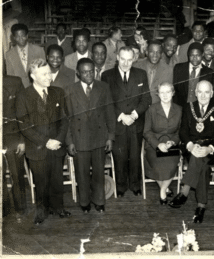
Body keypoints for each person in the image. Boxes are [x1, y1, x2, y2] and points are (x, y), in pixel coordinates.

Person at [16, 58, 70, 225]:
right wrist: (46, 141)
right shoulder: (23, 96)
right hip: (37, 148)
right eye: (44, 74)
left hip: (57, 147)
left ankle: (58, 208)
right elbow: (24, 126)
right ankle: (42, 212)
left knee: (57, 180)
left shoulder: (58, 92)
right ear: (33, 76)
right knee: (41, 182)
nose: (50, 76)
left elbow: (64, 119)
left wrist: (58, 140)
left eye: (49, 72)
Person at [169, 80, 214, 224]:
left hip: (211, 149)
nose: (203, 95)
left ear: (212, 93)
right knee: (201, 163)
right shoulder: (188, 108)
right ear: (195, 92)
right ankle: (201, 206)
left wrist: (208, 148)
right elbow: (183, 131)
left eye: (207, 92)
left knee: (202, 161)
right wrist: (190, 145)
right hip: (192, 148)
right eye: (200, 91)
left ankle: (184, 191)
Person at [65, 58, 116, 213]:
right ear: (78, 73)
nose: (89, 74)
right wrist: (69, 141)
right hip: (79, 139)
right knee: (82, 173)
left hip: (99, 137)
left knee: (99, 173)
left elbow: (110, 113)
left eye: (91, 71)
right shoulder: (69, 90)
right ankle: (85, 202)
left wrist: (110, 136)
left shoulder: (103, 87)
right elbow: (66, 119)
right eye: (84, 72)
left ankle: (99, 201)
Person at [101, 46, 151, 197]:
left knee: (135, 156)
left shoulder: (141, 74)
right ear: (117, 57)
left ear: (134, 59)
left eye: (129, 60)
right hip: (118, 122)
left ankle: (135, 185)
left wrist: (134, 115)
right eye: (123, 59)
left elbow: (146, 98)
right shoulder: (107, 75)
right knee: (120, 156)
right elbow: (106, 101)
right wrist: (122, 116)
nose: (125, 63)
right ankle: (121, 186)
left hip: (136, 123)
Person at [143, 82, 182, 205]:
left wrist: (173, 142)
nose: (165, 95)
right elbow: (146, 131)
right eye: (162, 92)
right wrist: (158, 145)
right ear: (158, 94)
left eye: (168, 92)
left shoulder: (179, 109)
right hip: (154, 145)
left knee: (171, 164)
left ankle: (163, 190)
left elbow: (180, 132)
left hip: (172, 146)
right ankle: (165, 189)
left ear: (173, 93)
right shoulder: (151, 109)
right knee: (158, 164)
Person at [2, 74, 26, 222]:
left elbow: (24, 112)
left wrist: (23, 139)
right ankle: (4, 209)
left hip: (13, 136)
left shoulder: (14, 81)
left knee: (17, 175)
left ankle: (20, 209)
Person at [173, 42, 214, 107]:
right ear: (188, 55)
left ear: (202, 55)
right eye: (192, 55)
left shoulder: (208, 72)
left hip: (199, 109)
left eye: (198, 55)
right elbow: (175, 90)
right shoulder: (178, 68)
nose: (195, 58)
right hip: (180, 108)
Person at [5, 23, 46, 88]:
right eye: (17, 36)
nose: (21, 38)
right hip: (19, 90)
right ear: (14, 38)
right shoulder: (9, 54)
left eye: (23, 36)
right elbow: (10, 76)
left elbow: (44, 72)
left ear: (27, 36)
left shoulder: (39, 50)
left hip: (36, 88)